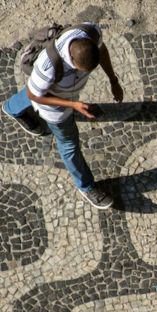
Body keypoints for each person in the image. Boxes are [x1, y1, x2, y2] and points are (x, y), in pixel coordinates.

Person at [2, 22, 123, 209]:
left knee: (38, 85)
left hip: (56, 89)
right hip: (54, 107)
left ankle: (10, 108)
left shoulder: (90, 32)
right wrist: (73, 105)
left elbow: (102, 49)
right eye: (83, 71)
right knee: (69, 144)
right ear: (72, 62)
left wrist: (113, 80)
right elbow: (34, 95)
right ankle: (86, 186)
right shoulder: (48, 66)